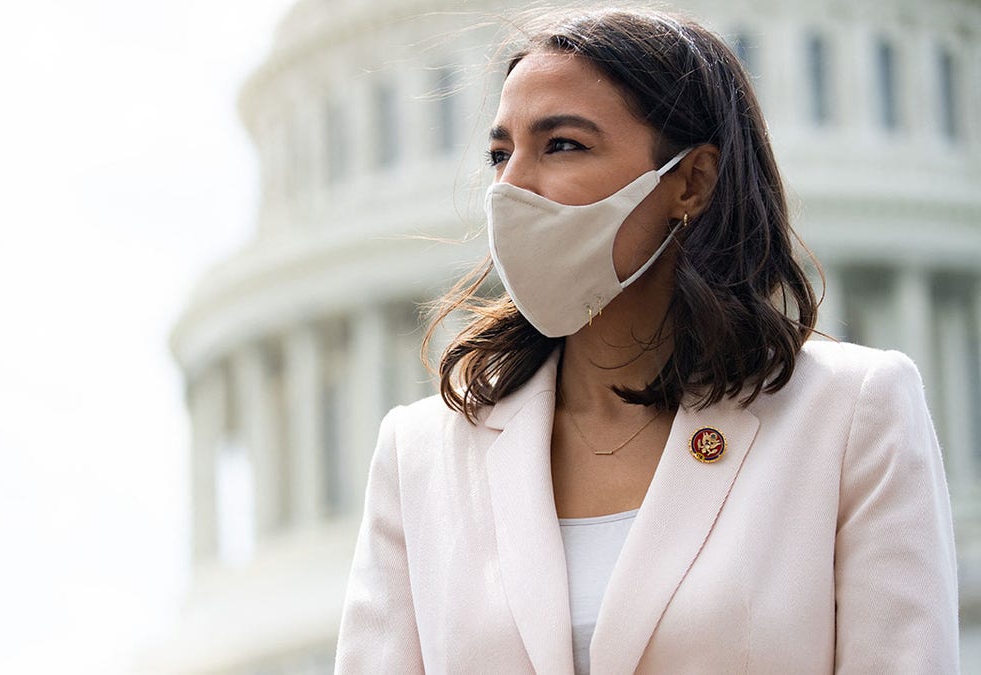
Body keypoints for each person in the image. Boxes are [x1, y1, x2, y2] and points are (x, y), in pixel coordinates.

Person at [333, 6, 959, 675]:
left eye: (562, 145)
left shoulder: (848, 414)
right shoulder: (421, 455)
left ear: (689, 182)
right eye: (499, 153)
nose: (509, 188)